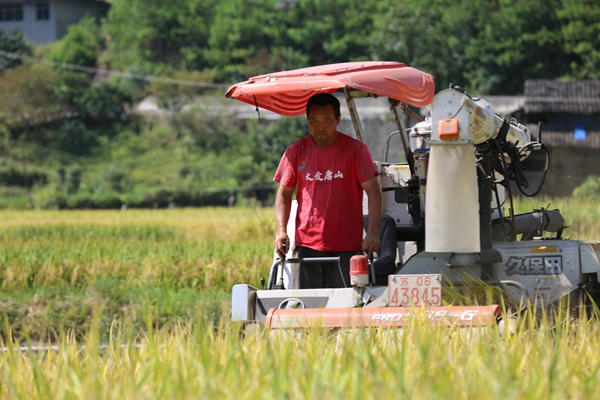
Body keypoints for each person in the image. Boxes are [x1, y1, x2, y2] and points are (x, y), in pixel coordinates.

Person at [273, 92, 382, 289]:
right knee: (305, 312)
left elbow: (373, 191)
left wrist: (373, 232)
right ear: (307, 121)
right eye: (314, 120)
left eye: (326, 120)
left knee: (347, 311)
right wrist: (281, 231)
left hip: (347, 249)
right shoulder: (296, 151)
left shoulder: (355, 150)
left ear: (338, 120)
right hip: (306, 248)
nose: (320, 126)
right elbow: (284, 193)